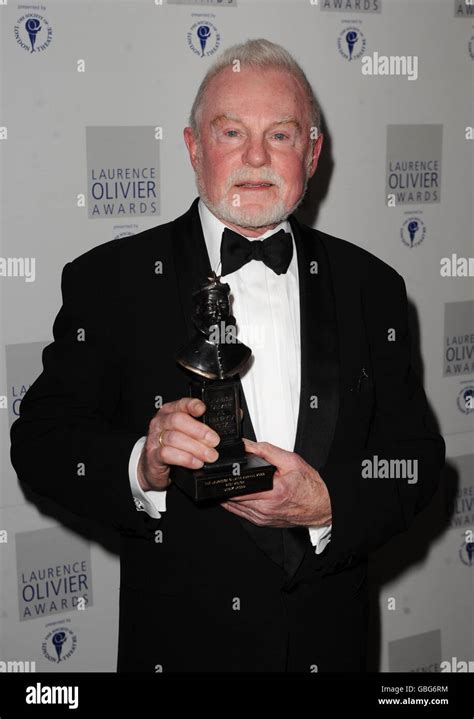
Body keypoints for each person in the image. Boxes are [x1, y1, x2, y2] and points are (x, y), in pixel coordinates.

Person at [10, 38, 445, 673]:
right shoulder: (113, 282)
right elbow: (41, 443)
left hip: (332, 651)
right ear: (193, 147)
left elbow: (415, 462)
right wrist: (143, 464)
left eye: (283, 135)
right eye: (231, 131)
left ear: (314, 154)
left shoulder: (373, 288)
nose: (256, 157)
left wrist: (331, 503)